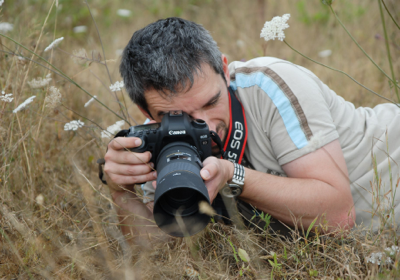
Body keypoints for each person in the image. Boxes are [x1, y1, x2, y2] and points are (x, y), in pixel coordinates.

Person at [102, 17, 400, 243]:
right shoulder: (159, 143)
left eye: (212, 101)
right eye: (176, 116)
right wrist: (121, 190)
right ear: (147, 114)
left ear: (224, 68)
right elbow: (151, 252)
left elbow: (338, 215)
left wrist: (232, 174)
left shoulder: (270, 84)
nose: (203, 126)